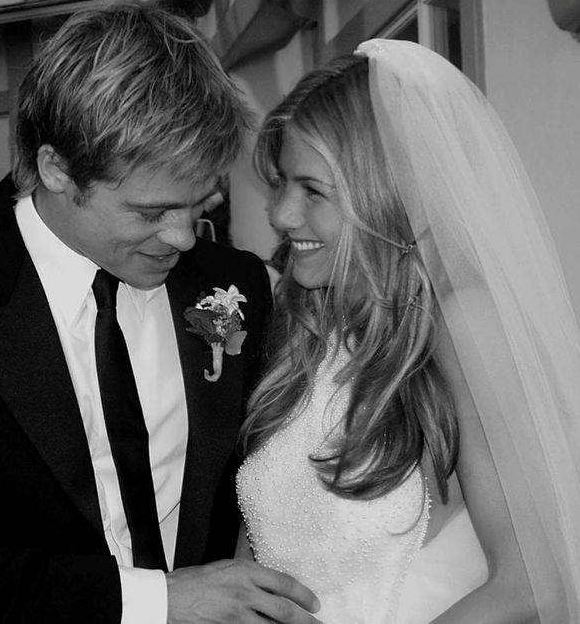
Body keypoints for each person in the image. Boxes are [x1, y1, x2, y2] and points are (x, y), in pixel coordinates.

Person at [0, 3, 322, 624]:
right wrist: (156, 602)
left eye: (199, 203)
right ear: (56, 169)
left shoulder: (235, 286)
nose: (183, 238)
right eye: (151, 212)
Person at [236, 39, 580, 623]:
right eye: (282, 183)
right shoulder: (308, 329)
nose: (281, 214)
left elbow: (534, 587)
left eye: (312, 190)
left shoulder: (466, 326)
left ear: (388, 194)